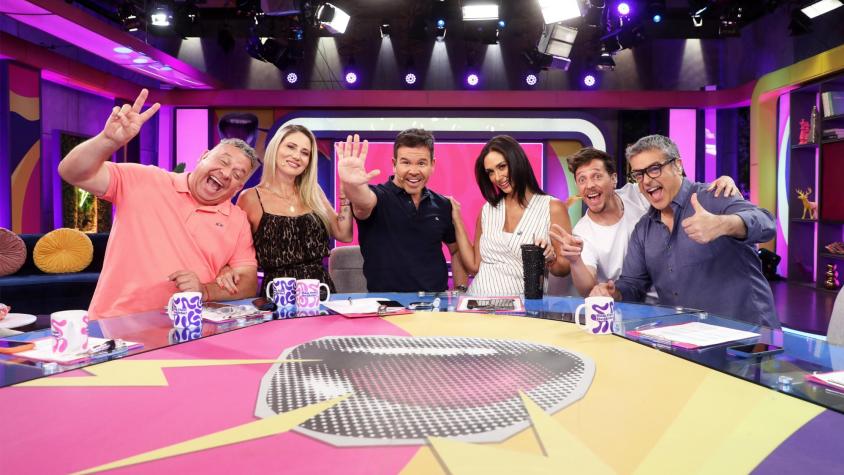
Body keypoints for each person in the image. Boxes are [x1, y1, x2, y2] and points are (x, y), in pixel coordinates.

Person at [58, 89, 259, 319]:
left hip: (190, 326)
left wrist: (204, 290)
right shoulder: (144, 179)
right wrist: (108, 140)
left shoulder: (237, 220)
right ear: (203, 156)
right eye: (223, 161)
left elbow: (248, 283)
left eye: (237, 174)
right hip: (114, 322)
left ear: (238, 188)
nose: (225, 173)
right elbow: (72, 172)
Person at [590, 135, 779, 328]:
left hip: (750, 336)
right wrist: (613, 292)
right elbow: (633, 284)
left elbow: (767, 223)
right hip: (687, 338)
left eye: (654, 169)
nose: (646, 181)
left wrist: (723, 224)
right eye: (639, 175)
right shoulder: (643, 229)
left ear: (677, 166)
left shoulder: (713, 196)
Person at [551, 147, 739, 297]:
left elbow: (679, 190)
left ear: (614, 179)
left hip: (677, 295)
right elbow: (587, 288)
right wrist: (575, 261)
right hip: (629, 303)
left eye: (597, 176)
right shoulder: (583, 232)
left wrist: (721, 183)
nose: (589, 185)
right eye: (582, 180)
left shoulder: (639, 193)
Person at [216, 125, 353, 297]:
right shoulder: (250, 198)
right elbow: (230, 248)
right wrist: (225, 268)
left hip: (320, 294)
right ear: (275, 148)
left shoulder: (313, 192)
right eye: (290, 147)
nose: (297, 156)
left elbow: (344, 234)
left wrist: (346, 194)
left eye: (305, 153)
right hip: (278, 296)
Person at [336, 129, 467, 292]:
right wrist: (352, 185)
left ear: (432, 165)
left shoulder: (443, 204)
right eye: (406, 162)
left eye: (421, 163)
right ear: (394, 164)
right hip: (385, 303)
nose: (414, 171)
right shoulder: (377, 196)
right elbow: (363, 202)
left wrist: (460, 290)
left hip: (434, 302)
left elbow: (456, 250)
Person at [449, 135, 571, 296]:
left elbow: (564, 269)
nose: (497, 178)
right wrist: (457, 219)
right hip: (478, 301)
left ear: (517, 161)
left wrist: (550, 258)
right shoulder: (487, 210)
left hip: (525, 306)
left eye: (502, 167)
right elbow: (474, 266)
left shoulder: (552, 207)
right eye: (490, 172)